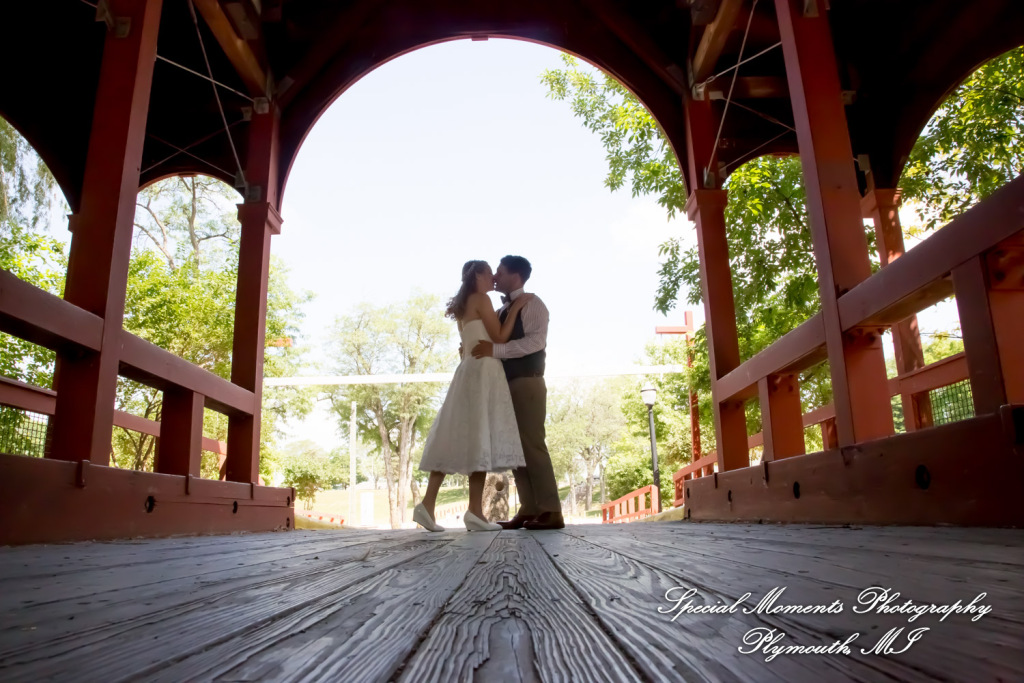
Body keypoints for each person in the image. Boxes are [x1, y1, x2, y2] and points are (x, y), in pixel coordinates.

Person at [413, 260, 532, 532]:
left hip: (467, 371)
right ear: (478, 275)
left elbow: (466, 345)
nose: (493, 276)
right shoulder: (481, 299)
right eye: (489, 272)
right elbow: (500, 338)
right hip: (484, 372)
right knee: (481, 435)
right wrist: (516, 309)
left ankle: (428, 505)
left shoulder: (463, 305)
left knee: (455, 435)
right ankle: (474, 512)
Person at [472, 255, 564, 530]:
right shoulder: (500, 312)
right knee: (516, 448)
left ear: (515, 275)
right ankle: (529, 508)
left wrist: (496, 350)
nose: (496, 275)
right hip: (504, 385)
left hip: (528, 381)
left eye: (499, 270)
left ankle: (551, 511)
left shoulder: (533, 304)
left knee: (532, 444)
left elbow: (536, 341)